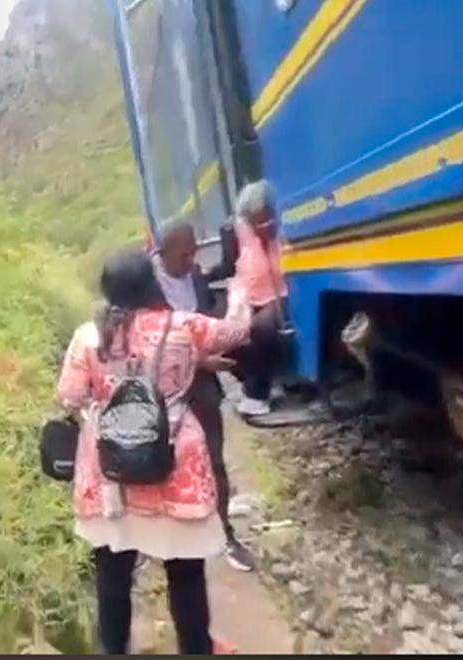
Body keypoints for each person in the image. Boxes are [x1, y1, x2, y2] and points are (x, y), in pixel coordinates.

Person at [56, 248, 251, 654]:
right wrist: (240, 292)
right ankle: (196, 647)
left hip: (111, 475)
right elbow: (237, 332)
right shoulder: (183, 327)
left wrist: (105, 404)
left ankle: (114, 649)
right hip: (174, 468)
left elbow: (70, 395)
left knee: (112, 574)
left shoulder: (88, 336)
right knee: (186, 575)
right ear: (152, 283)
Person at [152, 221, 258, 572]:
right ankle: (177, 540)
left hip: (202, 387)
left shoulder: (196, 278)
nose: (191, 259)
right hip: (164, 393)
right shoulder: (147, 289)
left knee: (214, 460)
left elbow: (210, 319)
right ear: (161, 250)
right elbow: (147, 343)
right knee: (169, 465)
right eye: (184, 253)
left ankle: (224, 533)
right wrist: (200, 359)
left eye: (193, 251)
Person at [223, 180, 290, 417]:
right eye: (254, 224)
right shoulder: (241, 231)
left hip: (284, 294)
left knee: (261, 328)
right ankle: (268, 379)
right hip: (250, 297)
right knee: (224, 338)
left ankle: (257, 393)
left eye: (266, 220)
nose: (261, 228)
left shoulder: (286, 228)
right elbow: (237, 268)